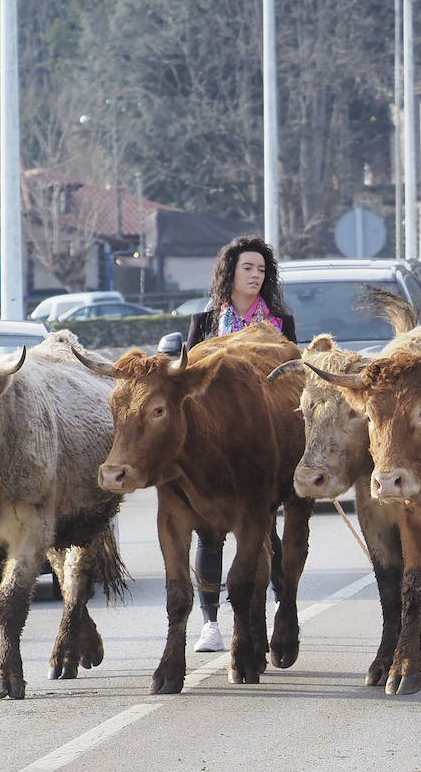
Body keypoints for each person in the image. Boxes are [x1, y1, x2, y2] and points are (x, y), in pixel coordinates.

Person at [186, 235, 297, 653]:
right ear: (230, 272)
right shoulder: (205, 321)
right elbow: (190, 383)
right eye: (248, 268)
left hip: (262, 438)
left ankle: (282, 605)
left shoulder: (281, 323)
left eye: (262, 270)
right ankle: (210, 623)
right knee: (208, 533)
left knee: (267, 526)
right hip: (215, 442)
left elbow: (292, 378)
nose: (256, 276)